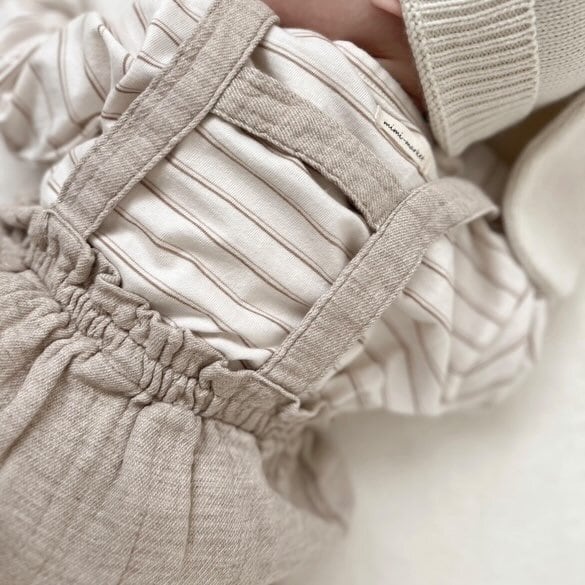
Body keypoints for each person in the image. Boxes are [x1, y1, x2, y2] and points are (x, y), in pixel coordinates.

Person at [0, 0, 583, 583]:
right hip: (182, 515)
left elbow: (19, 82)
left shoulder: (188, 33)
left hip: (21, 363)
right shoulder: (434, 238)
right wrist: (511, 194)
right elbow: (501, 350)